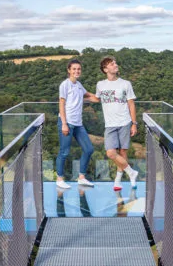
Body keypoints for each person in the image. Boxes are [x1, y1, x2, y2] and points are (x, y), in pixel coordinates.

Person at [96, 56, 139, 191]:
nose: (115, 65)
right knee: (110, 153)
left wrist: (134, 123)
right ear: (105, 69)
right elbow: (97, 98)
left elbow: (131, 104)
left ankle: (118, 180)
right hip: (109, 124)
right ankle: (131, 172)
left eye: (115, 62)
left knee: (123, 152)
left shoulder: (125, 84)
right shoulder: (100, 85)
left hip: (125, 122)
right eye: (111, 64)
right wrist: (80, 94)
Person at [56, 59, 99, 189]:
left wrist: (102, 96)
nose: (77, 71)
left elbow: (88, 95)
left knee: (89, 149)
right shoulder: (65, 85)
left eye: (78, 69)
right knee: (64, 152)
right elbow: (61, 104)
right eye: (74, 69)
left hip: (78, 124)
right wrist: (64, 124)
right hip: (67, 122)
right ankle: (59, 179)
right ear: (69, 70)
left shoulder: (79, 85)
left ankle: (81, 177)